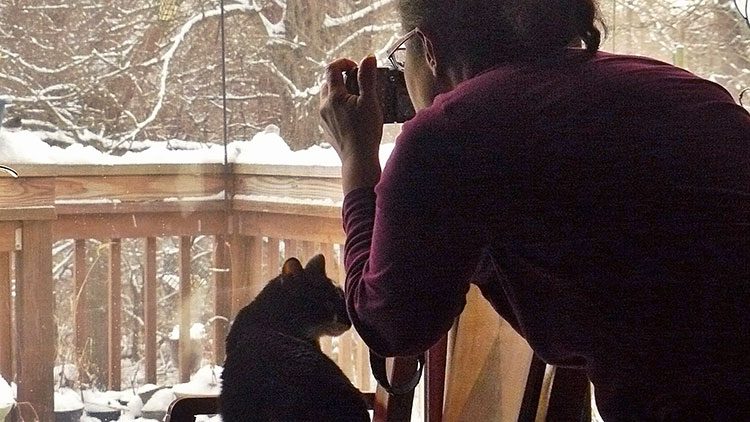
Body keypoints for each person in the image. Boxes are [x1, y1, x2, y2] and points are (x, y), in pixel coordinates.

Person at [319, 0, 750, 419]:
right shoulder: (679, 86)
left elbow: (391, 324)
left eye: (401, 54)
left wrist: (357, 165)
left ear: (427, 47)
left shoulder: (452, 134)